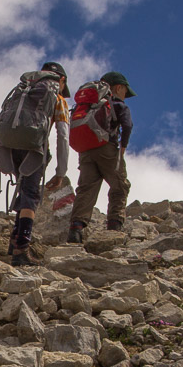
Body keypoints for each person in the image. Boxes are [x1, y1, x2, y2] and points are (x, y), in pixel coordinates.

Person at [0, 62, 70, 266]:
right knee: (31, 194)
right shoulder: (58, 99)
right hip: (35, 148)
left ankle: (14, 241)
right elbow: (63, 135)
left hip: (10, 145)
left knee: (23, 189)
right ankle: (21, 249)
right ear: (61, 80)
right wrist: (61, 171)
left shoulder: (24, 90)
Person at [68, 70, 134, 243]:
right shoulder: (118, 104)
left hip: (86, 150)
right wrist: (123, 148)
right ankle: (114, 227)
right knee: (120, 185)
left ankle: (76, 229)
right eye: (125, 91)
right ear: (118, 87)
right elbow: (127, 125)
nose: (125, 95)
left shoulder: (88, 104)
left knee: (86, 188)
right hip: (107, 148)